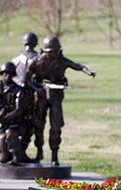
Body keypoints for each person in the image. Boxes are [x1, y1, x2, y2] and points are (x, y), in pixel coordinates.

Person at [26, 36, 96, 166]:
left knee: (56, 126)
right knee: (38, 125)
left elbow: (77, 66)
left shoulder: (61, 61)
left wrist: (88, 72)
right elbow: (27, 79)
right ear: (46, 51)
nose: (54, 54)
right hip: (41, 97)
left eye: (56, 51)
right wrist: (37, 88)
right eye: (51, 52)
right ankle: (39, 152)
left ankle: (54, 155)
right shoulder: (36, 61)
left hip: (56, 97)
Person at [11, 32, 39, 163]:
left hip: (15, 94)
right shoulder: (38, 58)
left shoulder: (16, 58)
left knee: (18, 124)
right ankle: (19, 152)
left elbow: (9, 75)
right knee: (28, 124)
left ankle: (18, 153)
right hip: (29, 95)